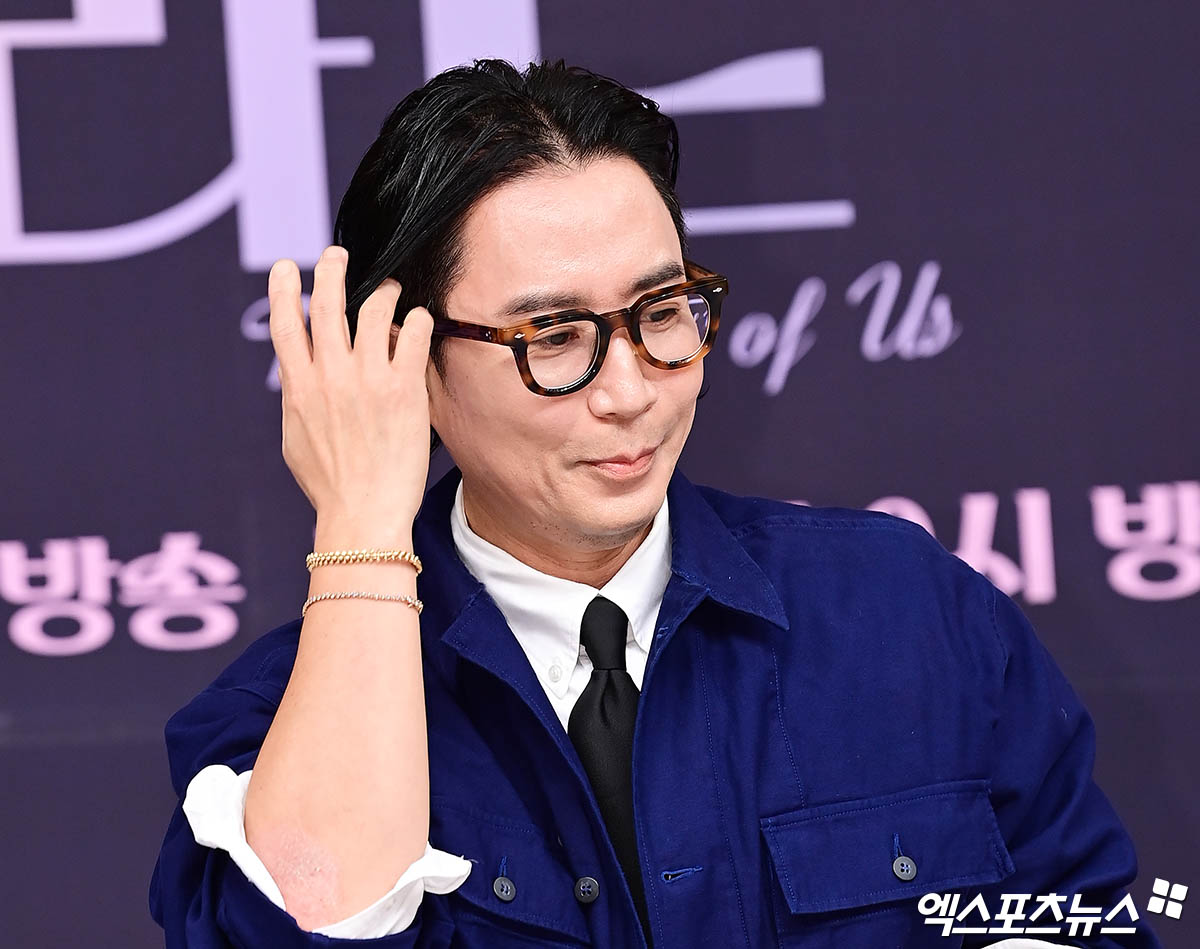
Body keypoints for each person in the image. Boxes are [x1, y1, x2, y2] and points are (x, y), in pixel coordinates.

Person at [149, 59, 1160, 948]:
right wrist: (363, 527)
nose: (631, 390)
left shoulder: (905, 609)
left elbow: (1082, 916)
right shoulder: (277, 721)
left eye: (662, 311)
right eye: (554, 336)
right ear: (407, 362)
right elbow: (318, 921)